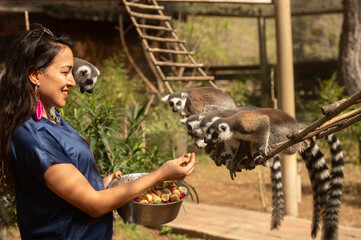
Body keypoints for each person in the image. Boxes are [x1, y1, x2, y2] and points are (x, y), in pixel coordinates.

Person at [0, 24, 195, 239]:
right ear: (35, 75)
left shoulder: (53, 119)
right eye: (65, 72)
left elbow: (66, 190)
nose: (72, 82)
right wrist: (161, 175)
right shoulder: (35, 137)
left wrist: (99, 184)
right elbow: (94, 204)